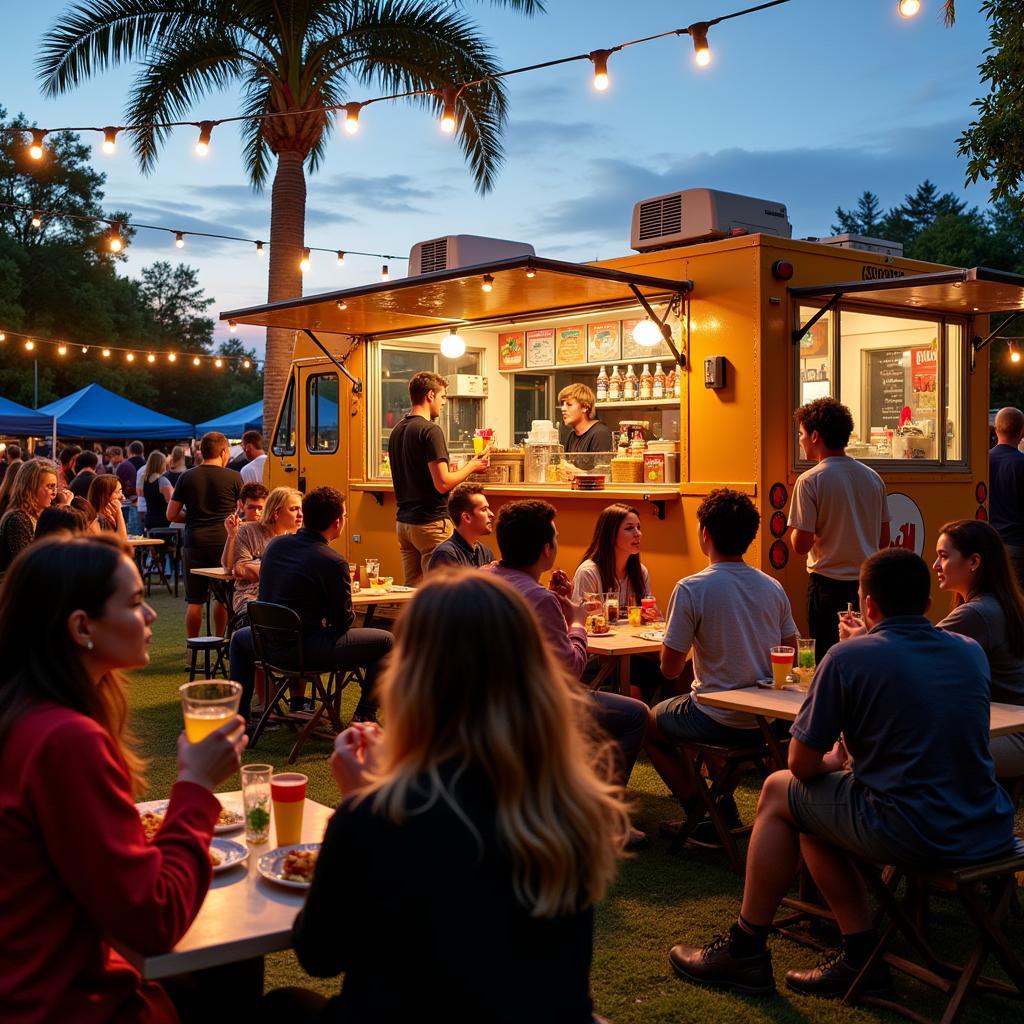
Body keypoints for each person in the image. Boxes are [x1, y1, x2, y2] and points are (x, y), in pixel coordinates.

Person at [264, 571, 629, 1022]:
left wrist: (363, 801)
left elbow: (318, 954)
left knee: (280, 1007)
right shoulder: (571, 803)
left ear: (412, 677)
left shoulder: (379, 817)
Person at [669, 548, 1016, 999]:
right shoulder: (969, 652)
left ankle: (746, 947)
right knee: (811, 808)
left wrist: (834, 759)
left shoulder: (849, 656)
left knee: (781, 790)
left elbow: (800, 762)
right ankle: (859, 955)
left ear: (868, 605)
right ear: (928, 605)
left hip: (917, 830)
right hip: (987, 824)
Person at [0, 535, 247, 1023]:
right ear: (81, 627)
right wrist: (196, 787)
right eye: (135, 603)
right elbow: (154, 919)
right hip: (65, 1003)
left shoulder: (23, 717)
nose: (153, 615)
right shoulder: (65, 741)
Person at [644, 489, 798, 840]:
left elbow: (669, 669)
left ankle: (699, 809)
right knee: (686, 708)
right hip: (768, 721)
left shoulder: (692, 588)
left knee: (648, 722)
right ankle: (719, 802)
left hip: (717, 717)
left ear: (705, 535)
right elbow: (790, 651)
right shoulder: (772, 586)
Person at [490, 500, 648, 796]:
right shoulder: (541, 598)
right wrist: (576, 622)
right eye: (556, 538)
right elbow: (570, 669)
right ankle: (601, 811)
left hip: (486, 699)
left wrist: (552, 599)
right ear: (545, 549)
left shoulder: (483, 577)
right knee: (636, 714)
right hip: (533, 704)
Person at [228, 486, 392, 722]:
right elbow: (343, 622)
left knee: (238, 638)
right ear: (337, 523)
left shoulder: (276, 547)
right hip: (305, 651)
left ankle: (238, 720)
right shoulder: (333, 561)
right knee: (387, 641)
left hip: (266, 645)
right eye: (344, 516)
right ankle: (364, 715)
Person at [788, 397, 889, 661]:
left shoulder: (810, 481)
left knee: (828, 658)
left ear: (815, 436)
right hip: (866, 585)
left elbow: (800, 545)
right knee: (865, 656)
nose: (799, 439)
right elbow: (884, 539)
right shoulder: (872, 478)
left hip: (826, 586)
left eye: (801, 433)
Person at [387, 371, 489, 586]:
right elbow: (442, 483)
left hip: (404, 524)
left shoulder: (397, 430)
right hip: (430, 522)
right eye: (443, 397)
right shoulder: (430, 430)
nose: (443, 403)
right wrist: (473, 466)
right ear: (430, 395)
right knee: (443, 590)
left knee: (413, 592)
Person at [167, 432, 243, 640]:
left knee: (195, 600)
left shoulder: (187, 476)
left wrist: (192, 517)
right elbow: (243, 510)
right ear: (224, 451)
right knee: (223, 598)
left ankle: (192, 648)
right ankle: (219, 640)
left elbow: (171, 514)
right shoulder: (234, 477)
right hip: (224, 541)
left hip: (195, 541)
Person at [222, 486, 303, 620]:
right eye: (294, 509)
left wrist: (259, 566)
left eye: (301, 509)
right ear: (276, 513)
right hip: (252, 597)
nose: (300, 514)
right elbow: (240, 569)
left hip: (287, 597)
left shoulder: (297, 537)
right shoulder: (248, 531)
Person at [0, 460, 70, 573]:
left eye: (55, 487)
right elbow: (27, 565)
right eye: (50, 486)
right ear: (30, 488)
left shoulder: (40, 514)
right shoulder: (18, 519)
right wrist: (65, 510)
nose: (54, 493)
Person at [988, 407, 1024, 587]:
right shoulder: (1021, 463)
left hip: (989, 546)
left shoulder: (984, 461)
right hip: (1018, 548)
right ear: (1022, 431)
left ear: (996, 429)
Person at [427, 482, 495, 570]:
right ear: (467, 517)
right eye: (484, 509)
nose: (491, 514)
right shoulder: (446, 555)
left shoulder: (486, 552)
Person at [560, 383, 613, 454]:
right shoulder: (572, 434)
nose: (563, 409)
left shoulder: (600, 434)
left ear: (585, 407)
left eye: (569, 404)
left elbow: (602, 464)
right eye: (562, 405)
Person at [87, 474, 130, 539]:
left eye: (121, 491)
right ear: (104, 496)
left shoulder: (111, 516)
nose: (122, 496)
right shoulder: (95, 520)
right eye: (117, 492)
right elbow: (122, 541)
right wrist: (119, 512)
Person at [142, 450, 174, 531]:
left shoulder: (145, 480)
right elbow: (171, 503)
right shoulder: (162, 481)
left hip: (149, 519)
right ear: (161, 464)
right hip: (162, 522)